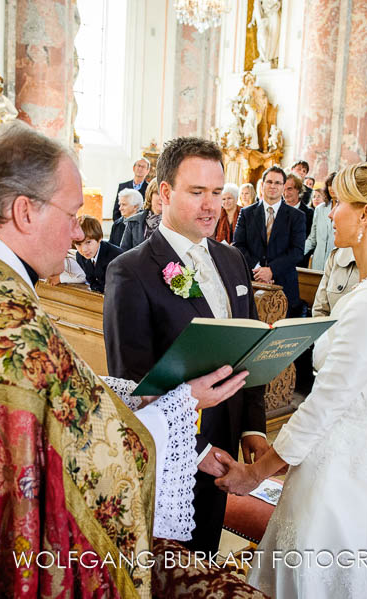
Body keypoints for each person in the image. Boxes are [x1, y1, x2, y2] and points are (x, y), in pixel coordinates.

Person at [0, 121, 252, 597]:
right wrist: (183, 402)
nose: (78, 231)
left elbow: (63, 399)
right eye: (72, 213)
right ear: (24, 211)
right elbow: (90, 445)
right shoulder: (7, 319)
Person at [214, 156, 367, 597]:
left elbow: (323, 408)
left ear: (366, 214)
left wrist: (256, 474)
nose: (329, 213)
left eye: (338, 202)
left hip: (333, 477)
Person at [104, 137, 268, 553]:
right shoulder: (131, 270)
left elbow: (247, 347)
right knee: (169, 569)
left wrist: (251, 427)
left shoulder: (232, 260)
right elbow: (132, 384)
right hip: (174, 452)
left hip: (228, 441)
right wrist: (196, 451)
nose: (211, 205)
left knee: (206, 558)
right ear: (164, 193)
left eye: (216, 193)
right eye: (196, 192)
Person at [233, 165, 307, 316]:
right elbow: (238, 245)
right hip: (252, 281)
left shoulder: (296, 216)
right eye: (269, 182)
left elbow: (297, 251)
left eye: (278, 183)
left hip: (284, 284)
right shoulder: (247, 213)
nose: (273, 186)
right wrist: (258, 270)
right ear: (263, 184)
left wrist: (271, 270)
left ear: (283, 187)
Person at [74, 215, 123, 293]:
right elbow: (91, 279)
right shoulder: (80, 256)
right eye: (79, 244)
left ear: (100, 238)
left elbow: (116, 287)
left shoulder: (116, 257)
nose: (84, 250)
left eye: (88, 242)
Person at [305, 171, 337, 271]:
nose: (331, 188)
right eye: (329, 185)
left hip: (335, 264)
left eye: (334, 185)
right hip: (317, 263)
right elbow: (313, 239)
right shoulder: (320, 209)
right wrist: (296, 252)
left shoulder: (348, 210)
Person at [121, 179, 163, 250]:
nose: (161, 198)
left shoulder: (175, 223)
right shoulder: (133, 222)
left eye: (165, 194)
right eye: (158, 193)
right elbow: (124, 252)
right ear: (150, 195)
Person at [285, 173, 314, 268]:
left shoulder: (309, 213)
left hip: (299, 265)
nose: (286, 193)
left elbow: (310, 240)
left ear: (298, 189)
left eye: (289, 189)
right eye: (283, 189)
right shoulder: (276, 210)